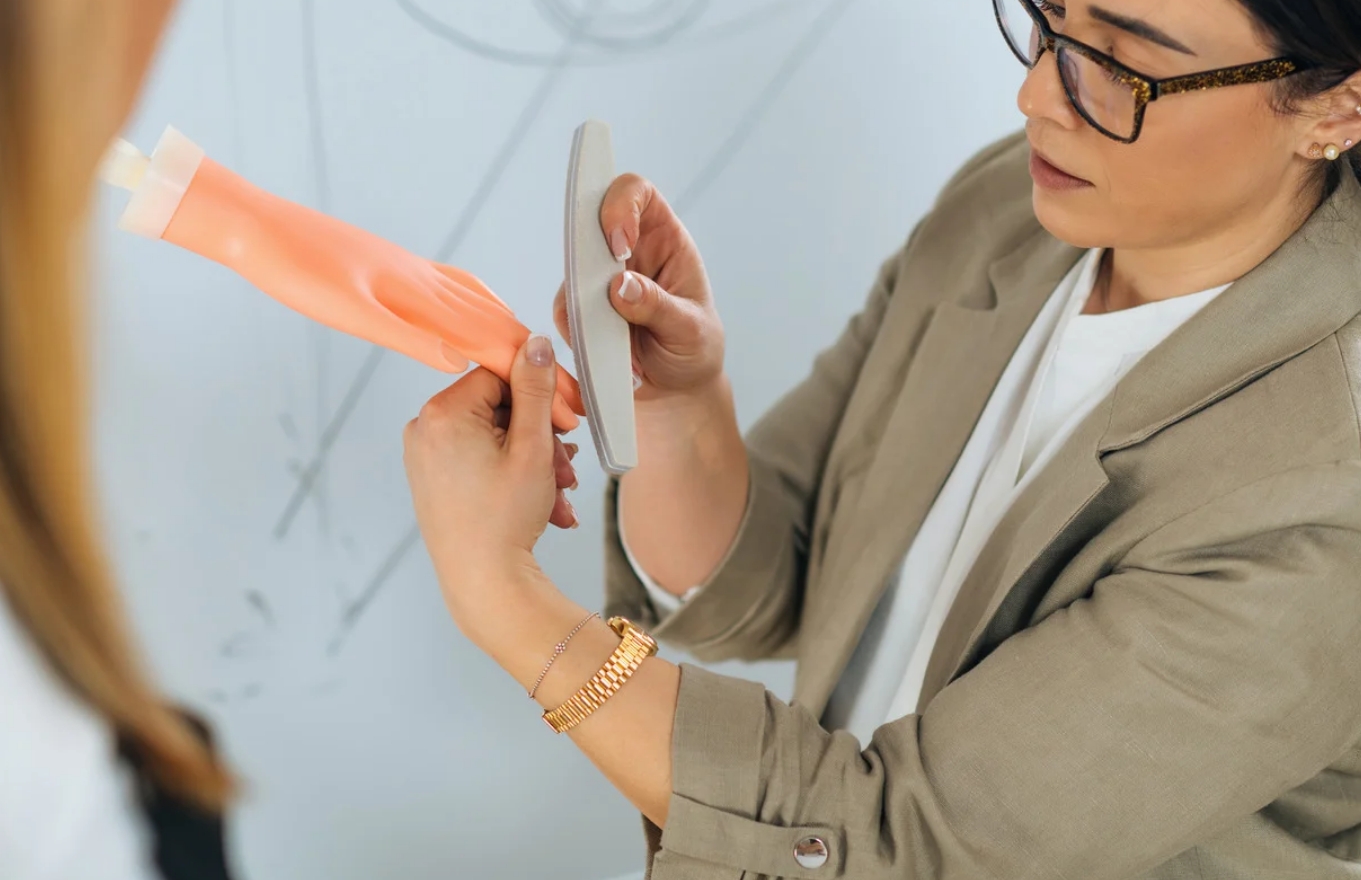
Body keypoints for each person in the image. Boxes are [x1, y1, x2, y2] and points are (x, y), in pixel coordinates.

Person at [404, 0, 1361, 877]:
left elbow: (893, 844)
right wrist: (673, 404)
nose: (1036, 96)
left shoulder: (1325, 500)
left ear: (1337, 108)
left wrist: (499, 593)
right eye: (1050, 19)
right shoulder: (1012, 209)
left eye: (1119, 64)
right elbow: (770, 585)